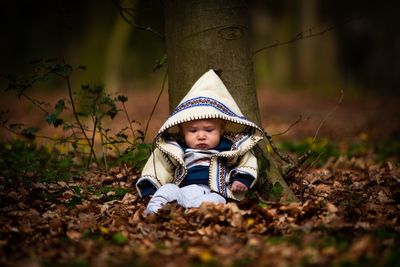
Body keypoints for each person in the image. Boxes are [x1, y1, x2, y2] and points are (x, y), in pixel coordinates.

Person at [136, 69, 264, 213]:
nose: (201, 136)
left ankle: (191, 213)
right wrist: (150, 186)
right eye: (193, 131)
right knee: (167, 189)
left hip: (213, 193)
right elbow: (160, 165)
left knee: (216, 201)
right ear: (182, 130)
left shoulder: (230, 147)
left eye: (209, 130)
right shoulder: (177, 148)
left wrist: (242, 179)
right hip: (182, 191)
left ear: (221, 129)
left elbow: (247, 161)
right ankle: (155, 211)